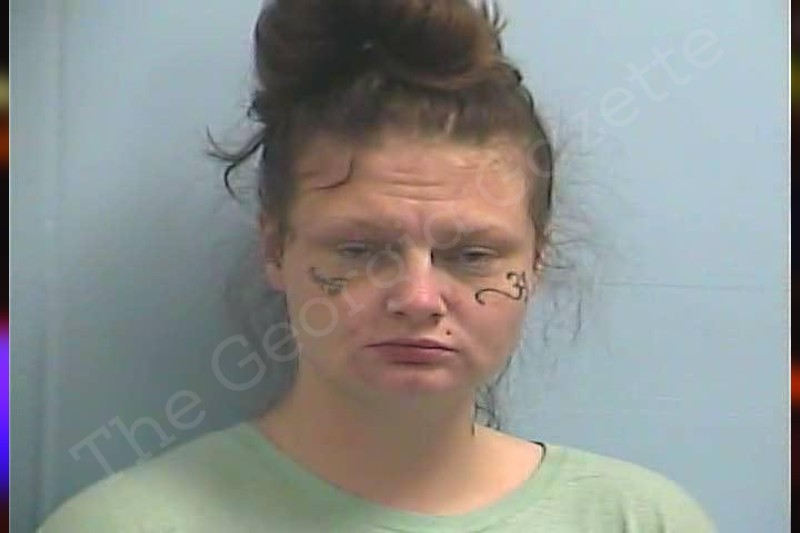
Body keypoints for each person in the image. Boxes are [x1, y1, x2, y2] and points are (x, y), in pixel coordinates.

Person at [39, 1, 716, 531]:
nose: (418, 297)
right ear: (276, 249)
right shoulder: (124, 525)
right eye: (360, 251)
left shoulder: (640, 521)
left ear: (536, 261)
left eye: (471, 255)